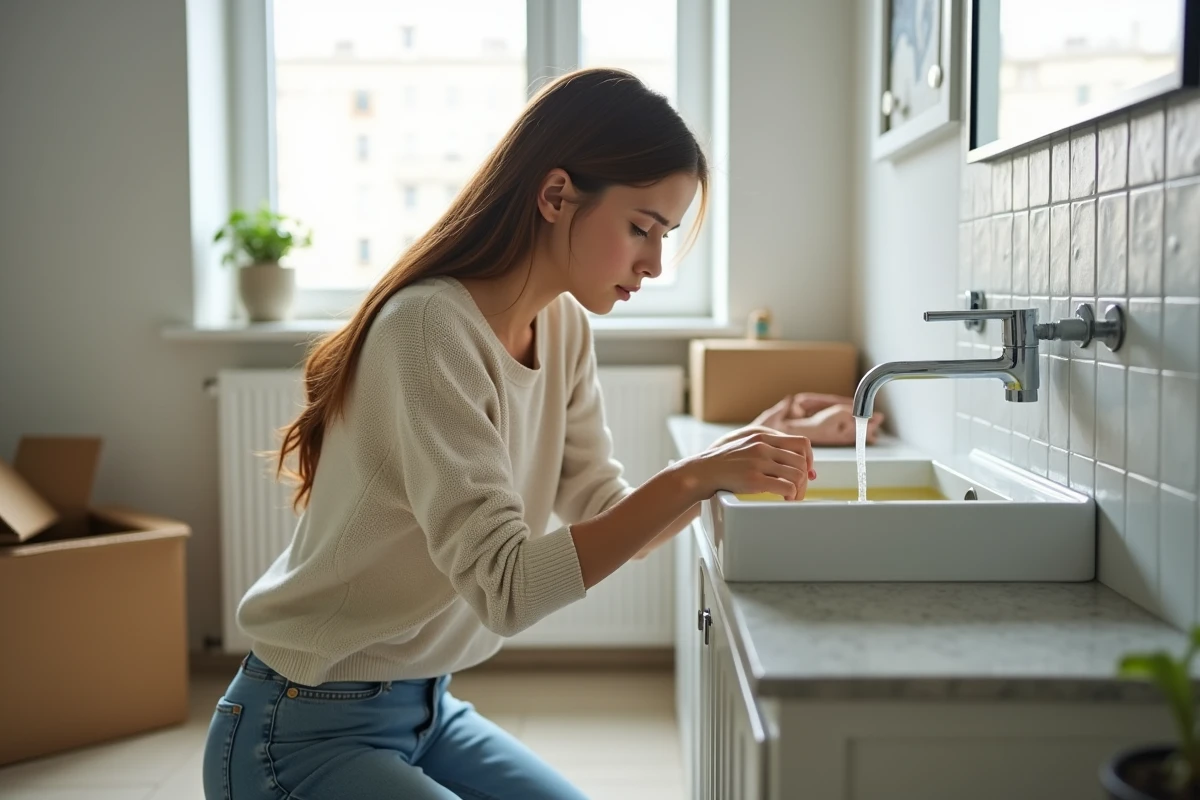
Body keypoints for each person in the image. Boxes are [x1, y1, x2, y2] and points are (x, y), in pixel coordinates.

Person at [202, 68, 814, 800]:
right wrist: (693, 476)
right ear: (556, 196)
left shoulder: (564, 326)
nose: (654, 263)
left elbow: (608, 513)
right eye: (641, 228)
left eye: (665, 237)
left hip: (428, 709)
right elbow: (508, 588)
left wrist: (745, 448)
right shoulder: (427, 329)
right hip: (297, 729)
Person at [752, 392, 885, 446]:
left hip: (840, 427)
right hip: (841, 426)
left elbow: (794, 401)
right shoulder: (766, 426)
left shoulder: (767, 426)